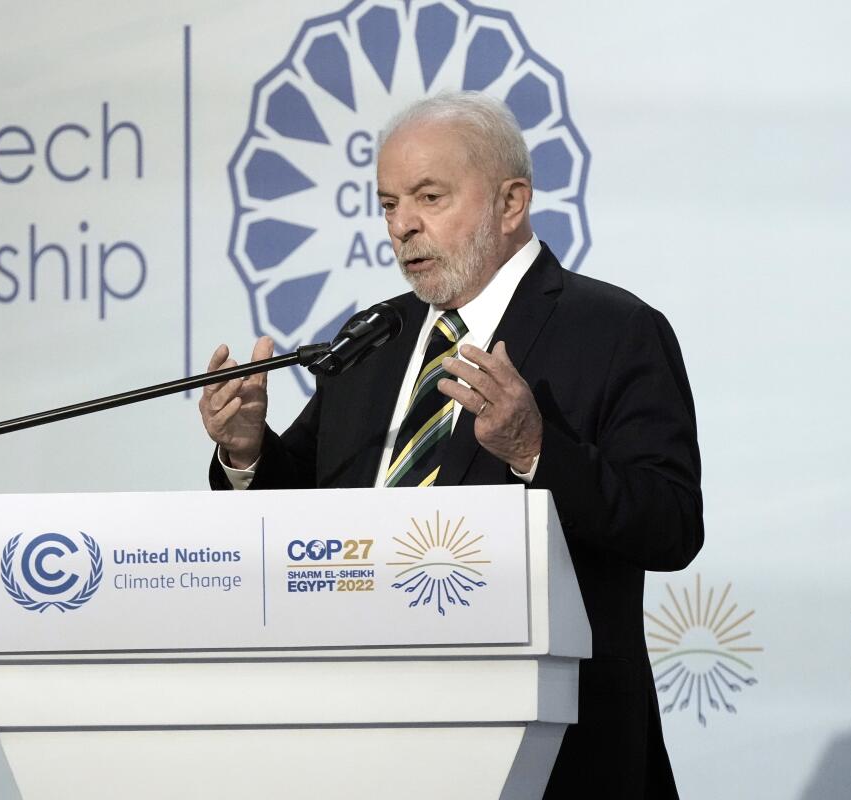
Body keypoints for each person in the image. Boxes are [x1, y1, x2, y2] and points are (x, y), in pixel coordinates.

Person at [199, 91, 702, 797]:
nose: (403, 226)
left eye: (429, 197)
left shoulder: (615, 331)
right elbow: (306, 516)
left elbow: (672, 524)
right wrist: (248, 452)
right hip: (366, 740)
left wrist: (535, 449)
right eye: (387, 204)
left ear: (510, 202)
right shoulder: (376, 338)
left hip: (555, 754)